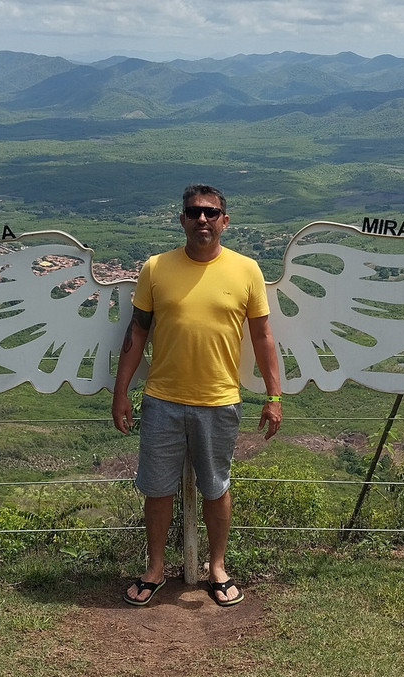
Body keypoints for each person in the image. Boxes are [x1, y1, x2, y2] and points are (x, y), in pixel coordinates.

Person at [112, 184, 282, 607]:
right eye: (193, 212)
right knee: (157, 488)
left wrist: (274, 395)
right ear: (182, 219)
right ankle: (154, 569)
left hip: (220, 398)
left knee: (216, 487)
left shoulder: (247, 270)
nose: (202, 220)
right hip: (162, 399)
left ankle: (217, 567)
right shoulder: (155, 268)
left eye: (210, 213)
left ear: (225, 220)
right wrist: (121, 392)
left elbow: (262, 336)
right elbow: (137, 331)